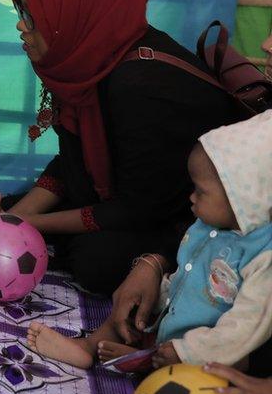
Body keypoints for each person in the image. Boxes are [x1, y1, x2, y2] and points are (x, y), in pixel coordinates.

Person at [0, 0, 241, 295]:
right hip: (128, 194)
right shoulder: (89, 58)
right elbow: (73, 162)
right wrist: (13, 220)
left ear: (74, 10)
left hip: (191, 213)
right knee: (13, 209)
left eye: (33, 15)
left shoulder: (141, 86)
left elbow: (137, 208)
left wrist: (29, 224)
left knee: (97, 262)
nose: (21, 25)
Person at [25, 112, 272, 369]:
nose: (192, 197)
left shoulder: (263, 256)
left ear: (241, 198)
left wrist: (185, 351)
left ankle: (150, 360)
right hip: (175, 312)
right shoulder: (214, 223)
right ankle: (90, 346)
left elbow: (243, 329)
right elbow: (185, 272)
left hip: (209, 346)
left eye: (201, 191)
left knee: (231, 361)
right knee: (137, 303)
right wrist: (155, 278)